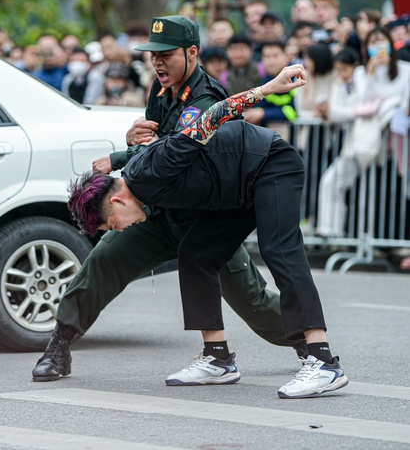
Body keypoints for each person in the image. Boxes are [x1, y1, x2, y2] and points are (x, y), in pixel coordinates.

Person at [32, 15, 304, 384]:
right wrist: (132, 141)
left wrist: (119, 157)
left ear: (192, 53)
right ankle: (59, 346)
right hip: (153, 210)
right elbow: (151, 148)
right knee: (103, 261)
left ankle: (308, 341)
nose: (158, 62)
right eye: (153, 55)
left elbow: (177, 149)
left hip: (202, 215)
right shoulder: (160, 92)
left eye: (167, 54)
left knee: (252, 301)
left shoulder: (206, 95)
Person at [67, 64, 349, 399]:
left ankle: (323, 362)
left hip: (270, 166)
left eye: (114, 224)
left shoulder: (149, 172)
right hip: (235, 190)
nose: (122, 229)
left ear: (116, 201)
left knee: (279, 250)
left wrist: (269, 87)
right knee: (195, 253)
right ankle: (218, 359)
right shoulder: (142, 187)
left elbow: (211, 117)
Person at [316, 28, 410, 238]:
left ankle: (390, 243)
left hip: (395, 145)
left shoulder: (405, 70)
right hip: (362, 142)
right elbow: (360, 104)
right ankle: (331, 233)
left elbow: (404, 105)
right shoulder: (360, 73)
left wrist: (384, 108)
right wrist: (370, 73)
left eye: (381, 41)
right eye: (372, 42)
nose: (378, 46)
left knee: (389, 194)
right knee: (333, 181)